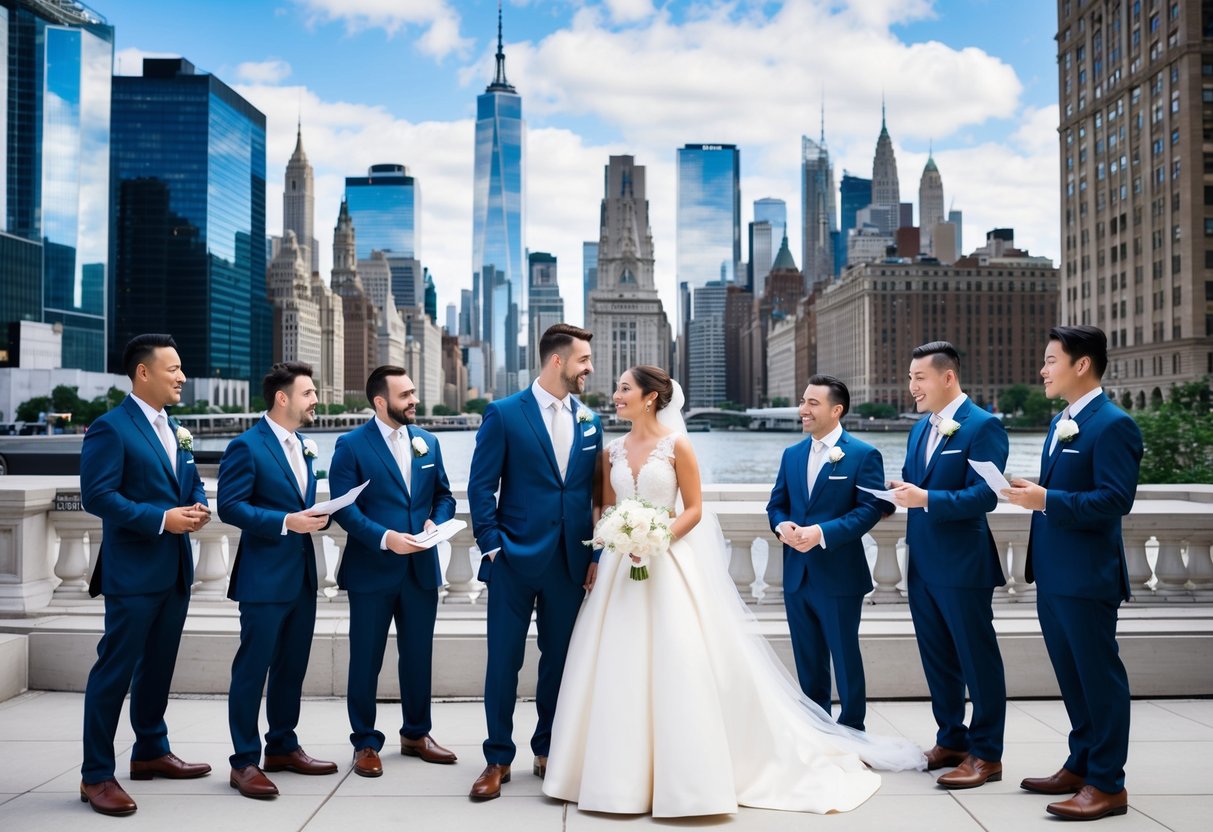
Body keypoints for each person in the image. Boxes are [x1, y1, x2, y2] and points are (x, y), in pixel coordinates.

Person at [543, 366, 924, 818]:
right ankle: (612, 774)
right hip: (619, 571)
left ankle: (693, 774)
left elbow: (695, 509)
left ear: (649, 398)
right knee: (614, 664)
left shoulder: (678, 445)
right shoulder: (610, 451)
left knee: (681, 659)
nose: (616, 394)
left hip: (668, 561)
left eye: (625, 388)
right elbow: (605, 506)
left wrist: (656, 538)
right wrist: (616, 537)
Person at [1004, 326, 1141, 821]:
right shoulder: (1061, 421)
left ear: (1081, 365)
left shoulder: (1113, 424)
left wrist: (1047, 499)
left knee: (1100, 681)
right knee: (1073, 678)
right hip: (1054, 574)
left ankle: (1108, 784)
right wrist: (1033, 491)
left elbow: (1113, 500)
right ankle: (1081, 762)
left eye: (1049, 361)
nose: (1042, 370)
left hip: (1087, 577)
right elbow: (1070, 490)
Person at [466, 324, 602, 800]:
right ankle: (497, 759)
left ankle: (547, 751)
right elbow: (481, 487)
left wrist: (595, 554)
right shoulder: (504, 414)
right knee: (503, 662)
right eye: (583, 359)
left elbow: (591, 495)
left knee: (559, 663)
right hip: (512, 560)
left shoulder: (591, 421)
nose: (590, 368)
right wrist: (493, 545)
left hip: (570, 561)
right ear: (557, 361)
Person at [78, 334, 212, 816]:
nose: (181, 376)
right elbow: (97, 496)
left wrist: (195, 505)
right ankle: (95, 775)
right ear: (143, 373)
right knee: (114, 672)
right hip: (133, 571)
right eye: (173, 368)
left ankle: (151, 751)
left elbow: (188, 478)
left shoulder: (174, 429)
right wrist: (162, 519)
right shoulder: (110, 428)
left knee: (158, 668)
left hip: (174, 569)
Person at [888, 341, 1009, 789]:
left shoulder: (984, 427)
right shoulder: (920, 429)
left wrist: (927, 498)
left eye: (919, 377)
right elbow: (917, 483)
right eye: (910, 377)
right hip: (922, 563)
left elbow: (987, 494)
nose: (912, 386)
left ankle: (987, 754)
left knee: (978, 661)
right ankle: (951, 740)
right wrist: (903, 491)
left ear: (947, 377)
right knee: (938, 658)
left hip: (962, 565)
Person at [217, 362, 337, 799]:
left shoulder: (305, 446)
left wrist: (315, 518)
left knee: (292, 668)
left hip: (303, 577)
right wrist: (287, 520)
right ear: (282, 398)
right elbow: (229, 507)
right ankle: (244, 761)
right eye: (308, 393)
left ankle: (283, 746)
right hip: (263, 578)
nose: (315, 400)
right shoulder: (245, 446)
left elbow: (297, 505)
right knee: (252, 670)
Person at [329, 366, 457, 777]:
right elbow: (344, 509)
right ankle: (365, 742)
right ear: (380, 401)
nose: (413, 400)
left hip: (421, 567)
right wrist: (386, 538)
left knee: (418, 656)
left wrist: (435, 523)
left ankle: (417, 734)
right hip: (372, 568)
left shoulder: (428, 441)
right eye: (405, 395)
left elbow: (443, 495)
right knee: (366, 659)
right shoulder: (350, 446)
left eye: (413, 392)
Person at [767, 374, 892, 732]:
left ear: (836, 410)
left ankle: (853, 729)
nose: (803, 409)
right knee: (807, 659)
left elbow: (869, 509)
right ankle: (816, 728)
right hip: (796, 574)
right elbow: (777, 504)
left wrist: (822, 532)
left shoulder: (863, 454)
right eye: (803, 401)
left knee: (844, 656)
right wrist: (782, 526)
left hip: (839, 574)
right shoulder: (792, 455)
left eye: (812, 403)